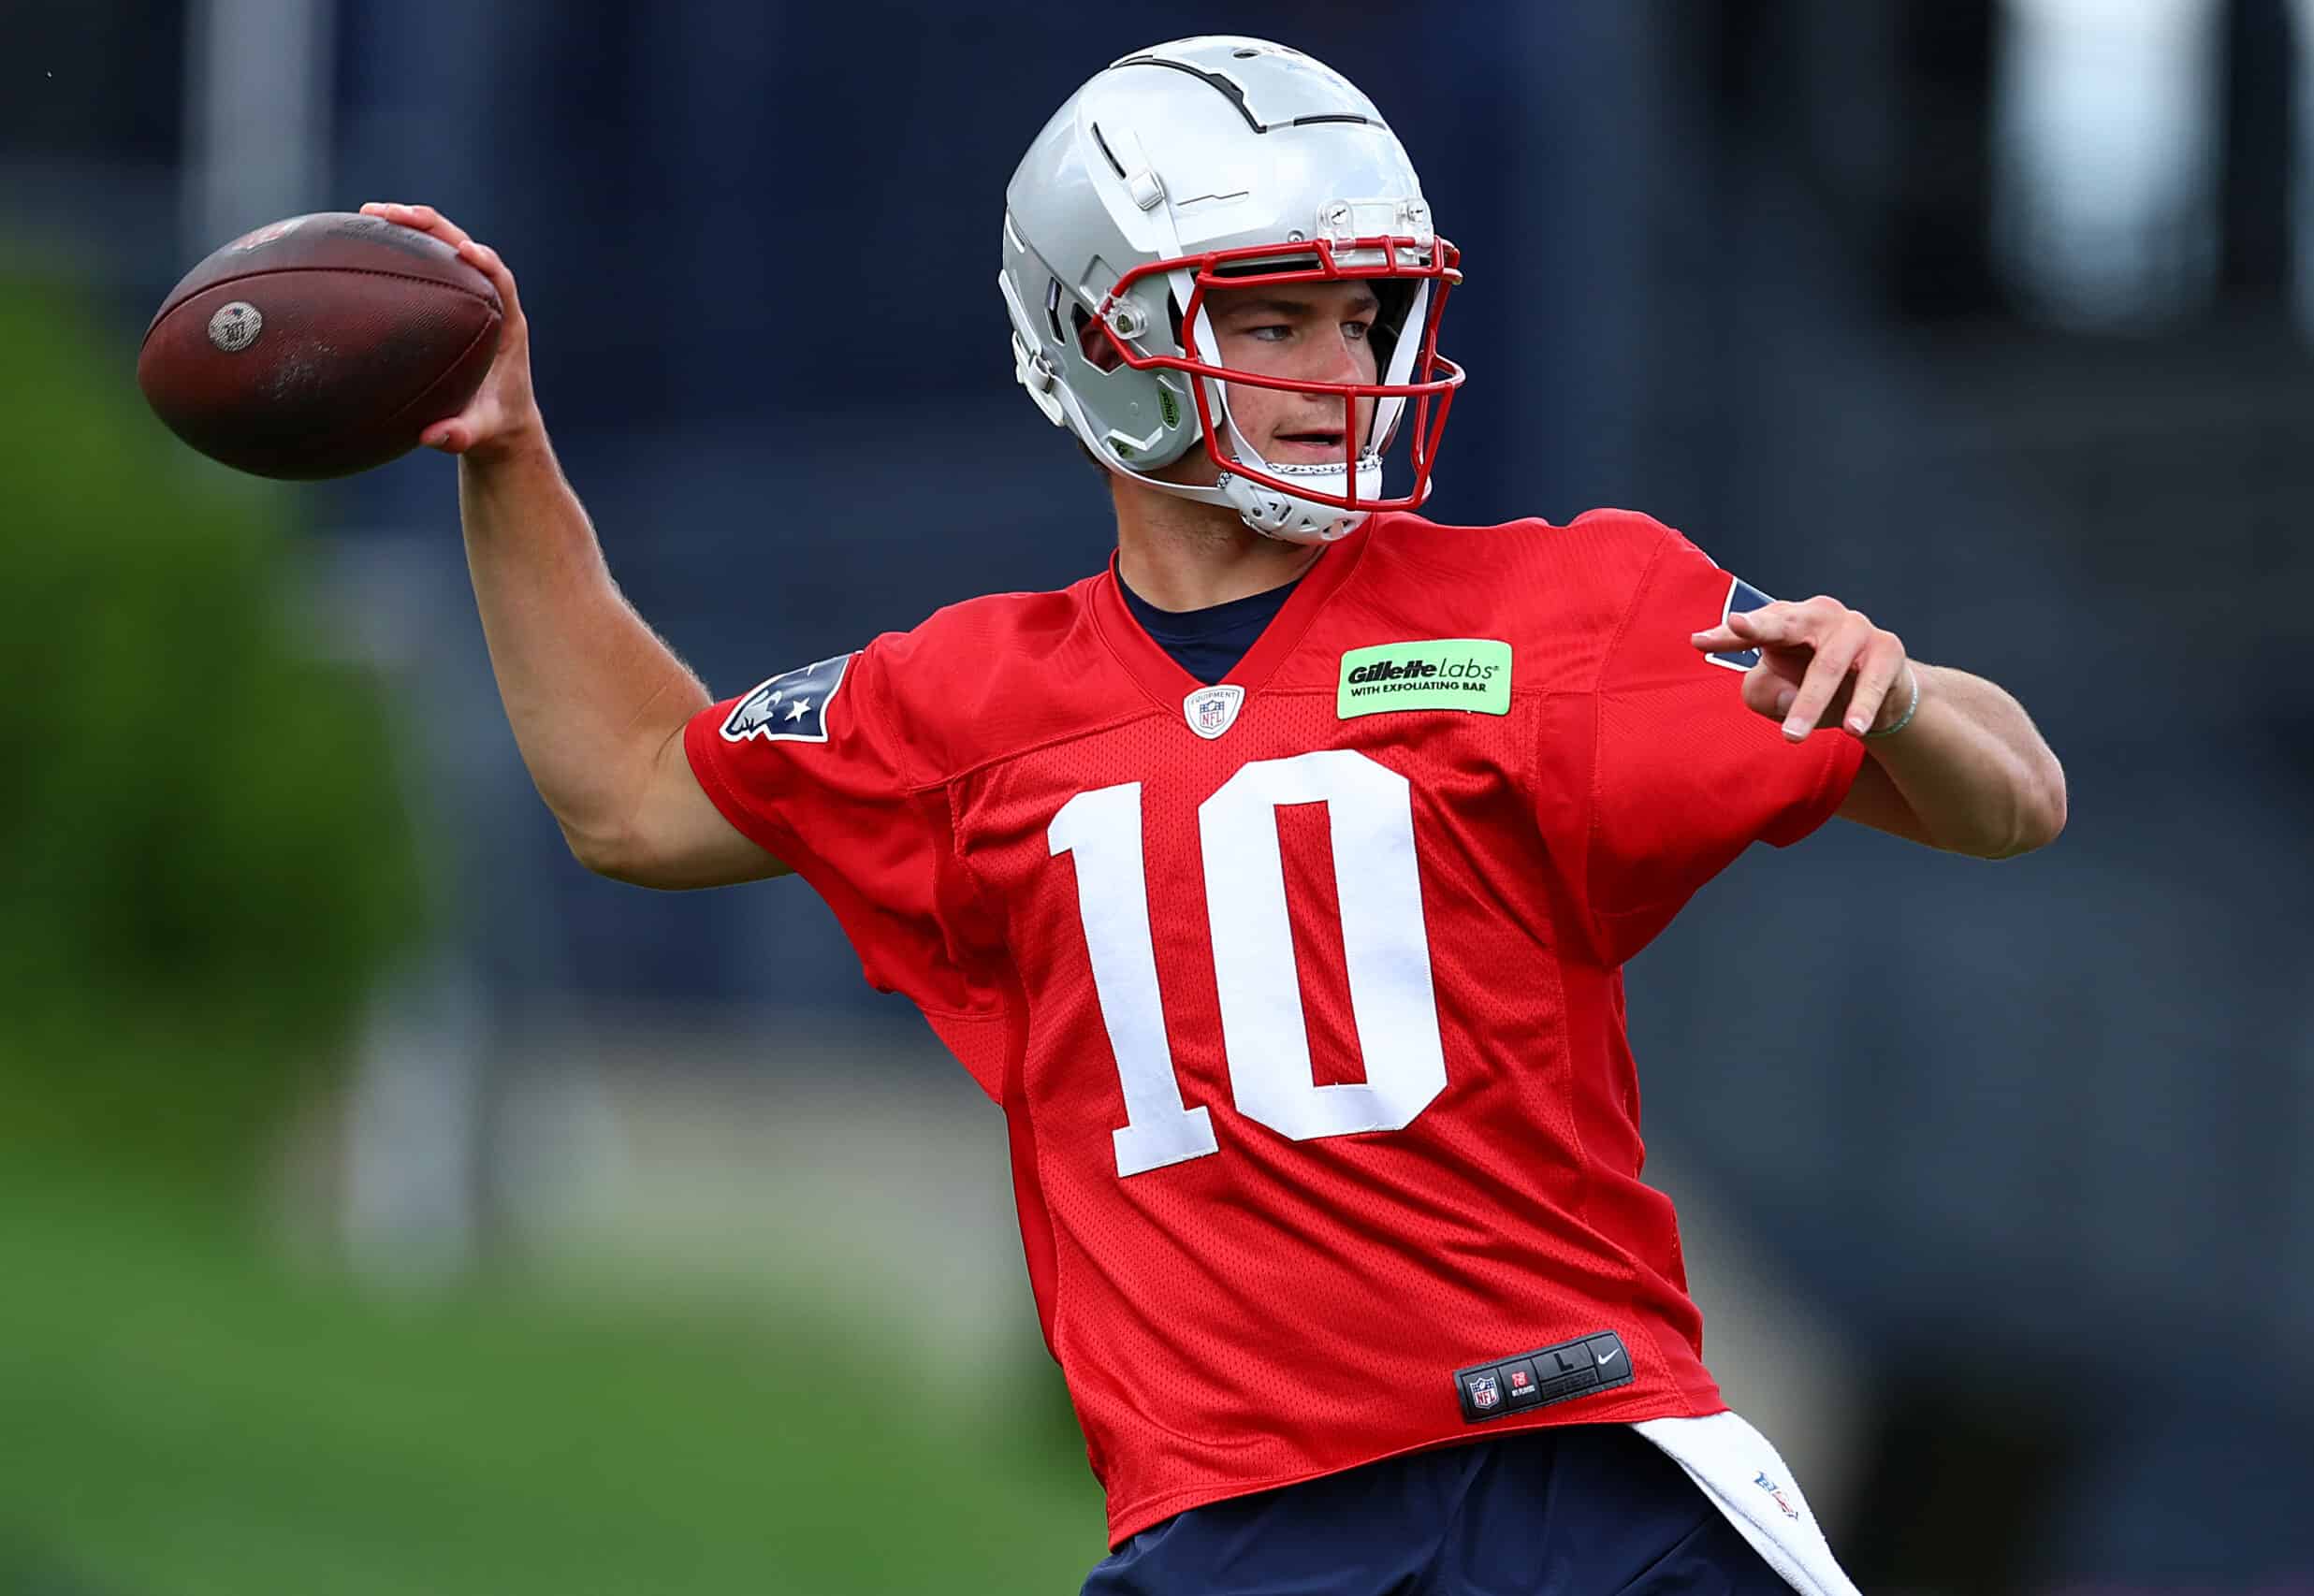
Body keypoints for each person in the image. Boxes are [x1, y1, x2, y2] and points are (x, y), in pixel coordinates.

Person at [366, 34, 2065, 1596]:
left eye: (1360, 317)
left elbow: (2016, 797)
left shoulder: (1563, 607)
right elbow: (636, 789)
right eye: (1271, 319)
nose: (1341, 368)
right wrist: (508, 457)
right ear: (1104, 331)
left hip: (1582, 1481)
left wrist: (1902, 688)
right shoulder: (965, 709)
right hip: (1233, 1526)